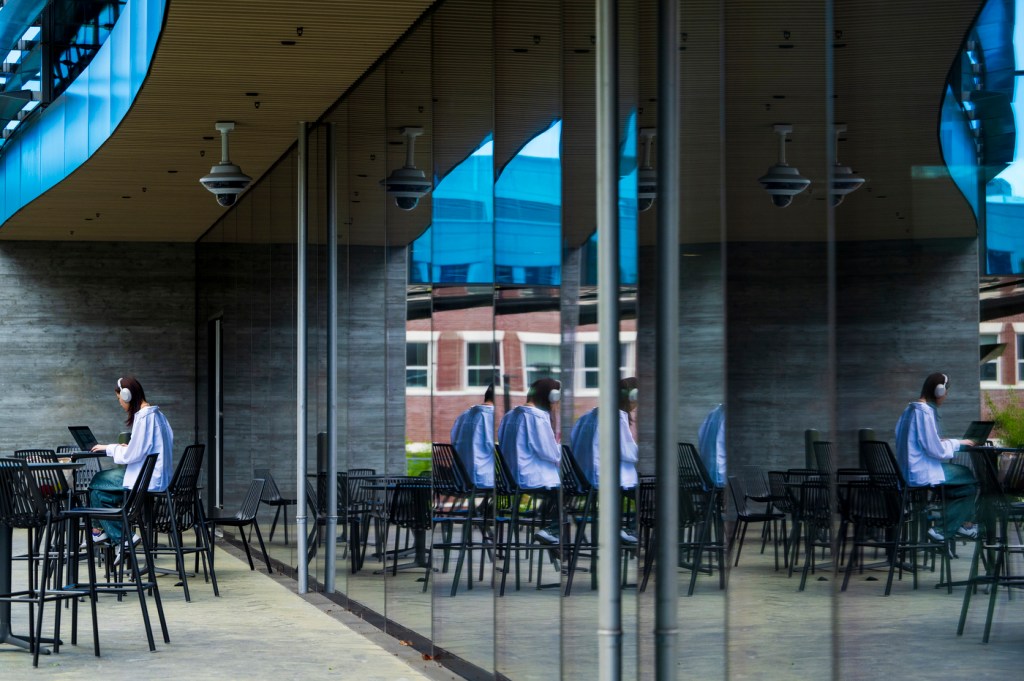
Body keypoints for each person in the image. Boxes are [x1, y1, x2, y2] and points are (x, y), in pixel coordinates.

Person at [894, 372, 978, 556]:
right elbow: (936, 451)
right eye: (945, 392)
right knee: (969, 478)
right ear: (939, 391)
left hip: (907, 472)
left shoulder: (910, 410)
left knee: (961, 489)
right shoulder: (924, 412)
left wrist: (940, 440)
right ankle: (943, 530)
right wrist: (958, 443)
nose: (945, 396)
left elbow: (918, 441)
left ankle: (960, 525)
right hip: (921, 473)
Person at [88, 376, 175, 552]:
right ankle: (111, 536)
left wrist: (110, 448)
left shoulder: (144, 418)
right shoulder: (158, 415)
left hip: (144, 479)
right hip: (156, 476)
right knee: (99, 495)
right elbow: (149, 447)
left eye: (119, 398)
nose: (119, 403)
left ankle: (120, 537)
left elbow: (130, 456)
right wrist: (131, 446)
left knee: (97, 480)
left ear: (126, 396)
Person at [570, 377, 640, 543]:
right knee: (658, 493)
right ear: (632, 397)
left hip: (584, 480)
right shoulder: (616, 417)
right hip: (606, 480)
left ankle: (629, 531)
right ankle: (631, 529)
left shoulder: (587, 416)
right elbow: (626, 451)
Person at [497, 377, 562, 543]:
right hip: (532, 479)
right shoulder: (537, 417)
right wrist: (561, 447)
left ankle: (551, 536)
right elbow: (550, 453)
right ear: (551, 397)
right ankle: (552, 531)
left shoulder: (510, 416)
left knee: (557, 493)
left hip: (510, 479)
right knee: (570, 491)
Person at [450, 384, 495, 488]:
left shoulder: (463, 415)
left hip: (459, 479)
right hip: (482, 479)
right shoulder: (491, 415)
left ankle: (486, 503)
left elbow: (453, 440)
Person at [697, 403, 726, 488]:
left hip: (707, 472)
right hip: (719, 475)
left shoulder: (712, 414)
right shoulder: (724, 417)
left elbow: (700, 435)